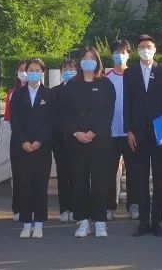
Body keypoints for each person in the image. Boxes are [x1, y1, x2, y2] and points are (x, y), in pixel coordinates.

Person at [62, 46, 115, 239]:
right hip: (76, 142)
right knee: (79, 182)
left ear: (98, 61)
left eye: (92, 58)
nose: (88, 61)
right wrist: (76, 132)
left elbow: (108, 113)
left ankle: (100, 221)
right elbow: (65, 113)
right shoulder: (71, 85)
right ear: (79, 61)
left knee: (100, 182)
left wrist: (93, 132)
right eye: (85, 57)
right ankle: (82, 221)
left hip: (99, 141)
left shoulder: (106, 84)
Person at [124, 34, 162, 237]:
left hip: (159, 129)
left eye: (149, 47)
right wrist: (128, 130)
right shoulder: (130, 73)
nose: (146, 50)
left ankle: (157, 221)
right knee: (141, 177)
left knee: (158, 177)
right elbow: (127, 103)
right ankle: (143, 221)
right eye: (142, 47)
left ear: (155, 50)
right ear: (137, 50)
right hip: (138, 131)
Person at [10, 58, 53, 239]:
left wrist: (40, 141)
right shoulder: (18, 94)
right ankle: (26, 224)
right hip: (23, 148)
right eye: (31, 70)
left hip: (42, 148)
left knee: (40, 187)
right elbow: (14, 120)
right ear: (26, 72)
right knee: (24, 186)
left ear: (42, 72)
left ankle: (39, 224)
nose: (34, 73)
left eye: (37, 70)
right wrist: (23, 141)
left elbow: (51, 121)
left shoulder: (49, 94)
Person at [104, 40, 133, 221]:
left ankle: (133, 205)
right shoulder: (105, 77)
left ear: (129, 55)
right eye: (116, 52)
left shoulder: (134, 76)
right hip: (110, 133)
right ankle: (110, 206)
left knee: (133, 171)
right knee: (109, 172)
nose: (119, 56)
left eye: (123, 52)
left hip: (130, 133)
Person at [52, 57, 77, 224]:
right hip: (60, 140)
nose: (68, 71)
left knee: (77, 175)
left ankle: (76, 208)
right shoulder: (54, 92)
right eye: (65, 69)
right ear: (61, 72)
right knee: (62, 175)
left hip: (78, 139)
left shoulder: (82, 89)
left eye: (71, 68)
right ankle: (64, 208)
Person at [5, 59, 29, 221]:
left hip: (36, 141)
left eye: (27, 70)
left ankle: (32, 208)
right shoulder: (12, 93)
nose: (24, 73)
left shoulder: (42, 92)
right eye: (21, 70)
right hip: (17, 139)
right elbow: (9, 117)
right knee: (18, 176)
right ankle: (18, 208)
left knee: (33, 177)